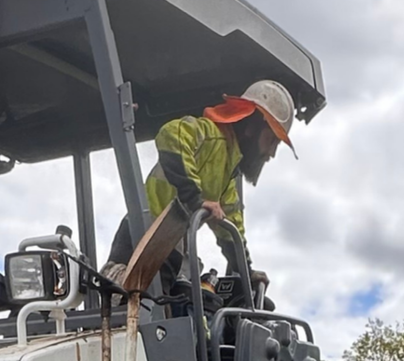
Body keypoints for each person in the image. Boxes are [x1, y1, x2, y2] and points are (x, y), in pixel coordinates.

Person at [112, 79, 298, 304]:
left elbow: (231, 230)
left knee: (195, 308)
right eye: (271, 141)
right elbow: (171, 135)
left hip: (171, 246)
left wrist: (247, 274)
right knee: (146, 311)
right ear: (251, 127)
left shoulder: (228, 171)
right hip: (143, 237)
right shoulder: (210, 134)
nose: (271, 153)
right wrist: (196, 199)